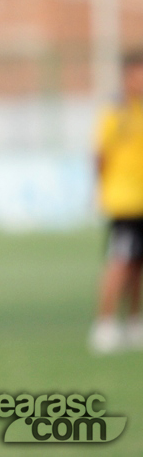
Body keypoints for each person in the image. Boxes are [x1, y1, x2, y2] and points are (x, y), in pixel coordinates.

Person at [89, 50, 143, 355]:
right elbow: (100, 154)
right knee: (120, 263)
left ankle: (134, 322)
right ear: (127, 76)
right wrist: (101, 190)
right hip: (123, 201)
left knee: (137, 265)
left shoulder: (140, 110)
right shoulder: (116, 112)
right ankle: (104, 325)